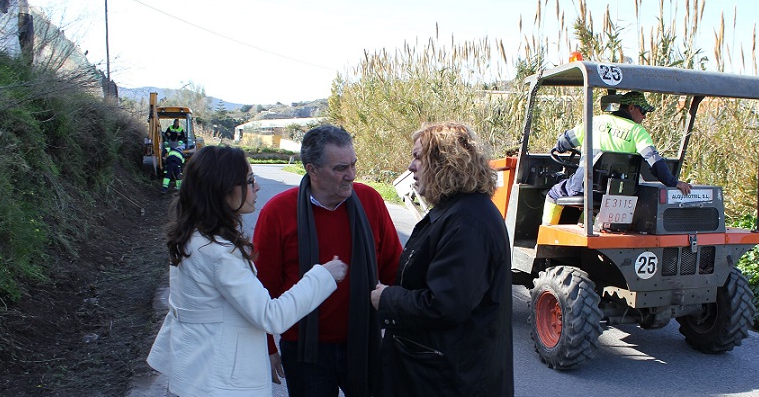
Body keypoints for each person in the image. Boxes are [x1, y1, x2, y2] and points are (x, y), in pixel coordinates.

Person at [146, 145, 349, 397]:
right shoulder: (219, 253)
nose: (257, 188)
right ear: (223, 188)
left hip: (196, 373)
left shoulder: (192, 238)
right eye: (250, 181)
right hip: (218, 385)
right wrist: (323, 276)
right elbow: (271, 316)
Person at [252, 125, 402, 397]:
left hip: (364, 343)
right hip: (305, 352)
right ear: (312, 170)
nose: (351, 175)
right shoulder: (278, 212)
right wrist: (268, 347)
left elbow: (395, 268)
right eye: (340, 168)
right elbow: (262, 289)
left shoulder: (370, 201)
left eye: (353, 165)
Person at [370, 122, 513, 397]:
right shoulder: (459, 212)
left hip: (450, 379)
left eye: (417, 157)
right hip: (444, 372)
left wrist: (387, 299)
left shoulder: (467, 222)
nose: (411, 166)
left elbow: (446, 304)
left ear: (444, 163)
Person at [542, 91, 693, 224]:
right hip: (619, 194)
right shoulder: (637, 132)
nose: (644, 116)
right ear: (631, 107)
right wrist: (673, 182)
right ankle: (589, 228)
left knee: (554, 194)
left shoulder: (595, 122)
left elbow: (564, 142)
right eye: (643, 111)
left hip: (583, 188)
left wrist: (560, 147)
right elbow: (654, 161)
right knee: (594, 206)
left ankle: (546, 236)